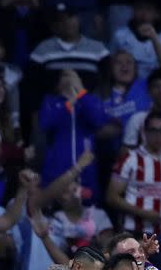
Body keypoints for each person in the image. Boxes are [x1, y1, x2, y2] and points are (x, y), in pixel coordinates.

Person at [108, 112, 161, 268]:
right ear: (145, 132)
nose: (158, 135)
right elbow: (111, 197)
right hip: (133, 232)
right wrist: (144, 213)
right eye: (154, 130)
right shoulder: (130, 158)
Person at [38, 69, 110, 205]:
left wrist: (81, 92)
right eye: (65, 75)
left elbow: (98, 119)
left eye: (73, 76)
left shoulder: (89, 101)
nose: (69, 79)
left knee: (88, 214)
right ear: (58, 83)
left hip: (86, 172)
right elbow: (46, 123)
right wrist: (69, 103)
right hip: (56, 171)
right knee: (54, 211)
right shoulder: (50, 101)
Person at [108, 0, 161, 80]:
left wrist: (154, 38)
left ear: (157, 14)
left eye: (148, 9)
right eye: (139, 8)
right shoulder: (120, 35)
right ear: (133, 11)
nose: (143, 14)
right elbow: (110, 63)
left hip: (153, 87)